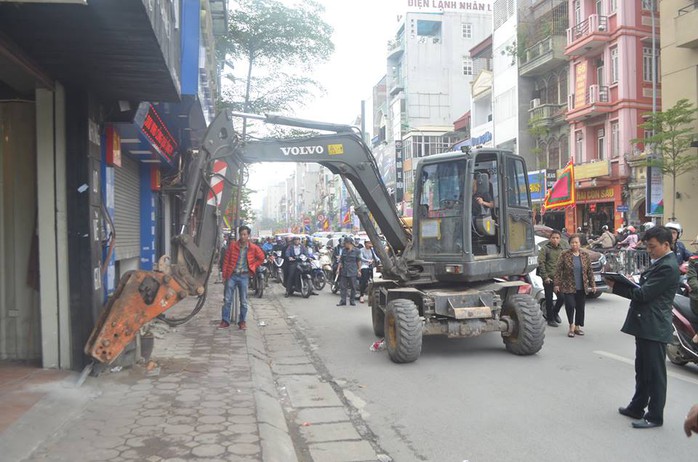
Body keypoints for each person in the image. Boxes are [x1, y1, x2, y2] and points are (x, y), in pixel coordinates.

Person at [605, 226, 679, 429]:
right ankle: (637, 406)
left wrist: (616, 286)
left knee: (655, 374)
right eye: (647, 247)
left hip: (654, 326)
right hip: (646, 325)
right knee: (642, 369)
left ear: (666, 244)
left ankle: (655, 415)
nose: (649, 251)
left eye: (653, 247)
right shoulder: (660, 262)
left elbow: (644, 295)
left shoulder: (668, 266)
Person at [220, 225, 265, 330]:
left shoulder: (253, 248)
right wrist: (224, 275)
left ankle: (242, 322)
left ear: (248, 235)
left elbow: (261, 257)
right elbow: (226, 261)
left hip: (244, 276)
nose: (243, 236)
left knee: (244, 301)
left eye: (245, 234)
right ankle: (225, 321)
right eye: (241, 234)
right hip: (232, 275)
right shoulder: (232, 246)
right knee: (227, 299)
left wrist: (253, 266)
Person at [554, 234, 596, 337]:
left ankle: (577, 326)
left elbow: (589, 271)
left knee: (580, 307)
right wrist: (557, 284)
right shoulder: (564, 254)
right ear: (569, 244)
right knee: (570, 305)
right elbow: (558, 270)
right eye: (572, 243)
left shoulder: (585, 255)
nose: (574, 245)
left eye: (576, 242)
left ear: (580, 243)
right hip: (568, 286)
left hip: (582, 286)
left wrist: (593, 284)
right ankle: (571, 326)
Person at [538, 229, 565, 326]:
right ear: (550, 238)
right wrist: (545, 277)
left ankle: (555, 313)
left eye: (557, 238)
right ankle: (550, 319)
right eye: (553, 238)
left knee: (561, 298)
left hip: (558, 279)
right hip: (548, 279)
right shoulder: (545, 249)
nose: (555, 240)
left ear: (560, 239)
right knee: (549, 299)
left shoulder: (562, 250)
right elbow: (541, 263)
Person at [336, 237, 361, 306]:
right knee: (343, 287)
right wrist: (338, 269)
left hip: (353, 271)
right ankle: (343, 301)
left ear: (349, 243)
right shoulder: (343, 250)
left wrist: (359, 270)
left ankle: (352, 301)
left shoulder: (357, 251)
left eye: (345, 243)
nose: (344, 245)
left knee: (353, 287)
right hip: (344, 271)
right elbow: (341, 261)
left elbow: (358, 261)